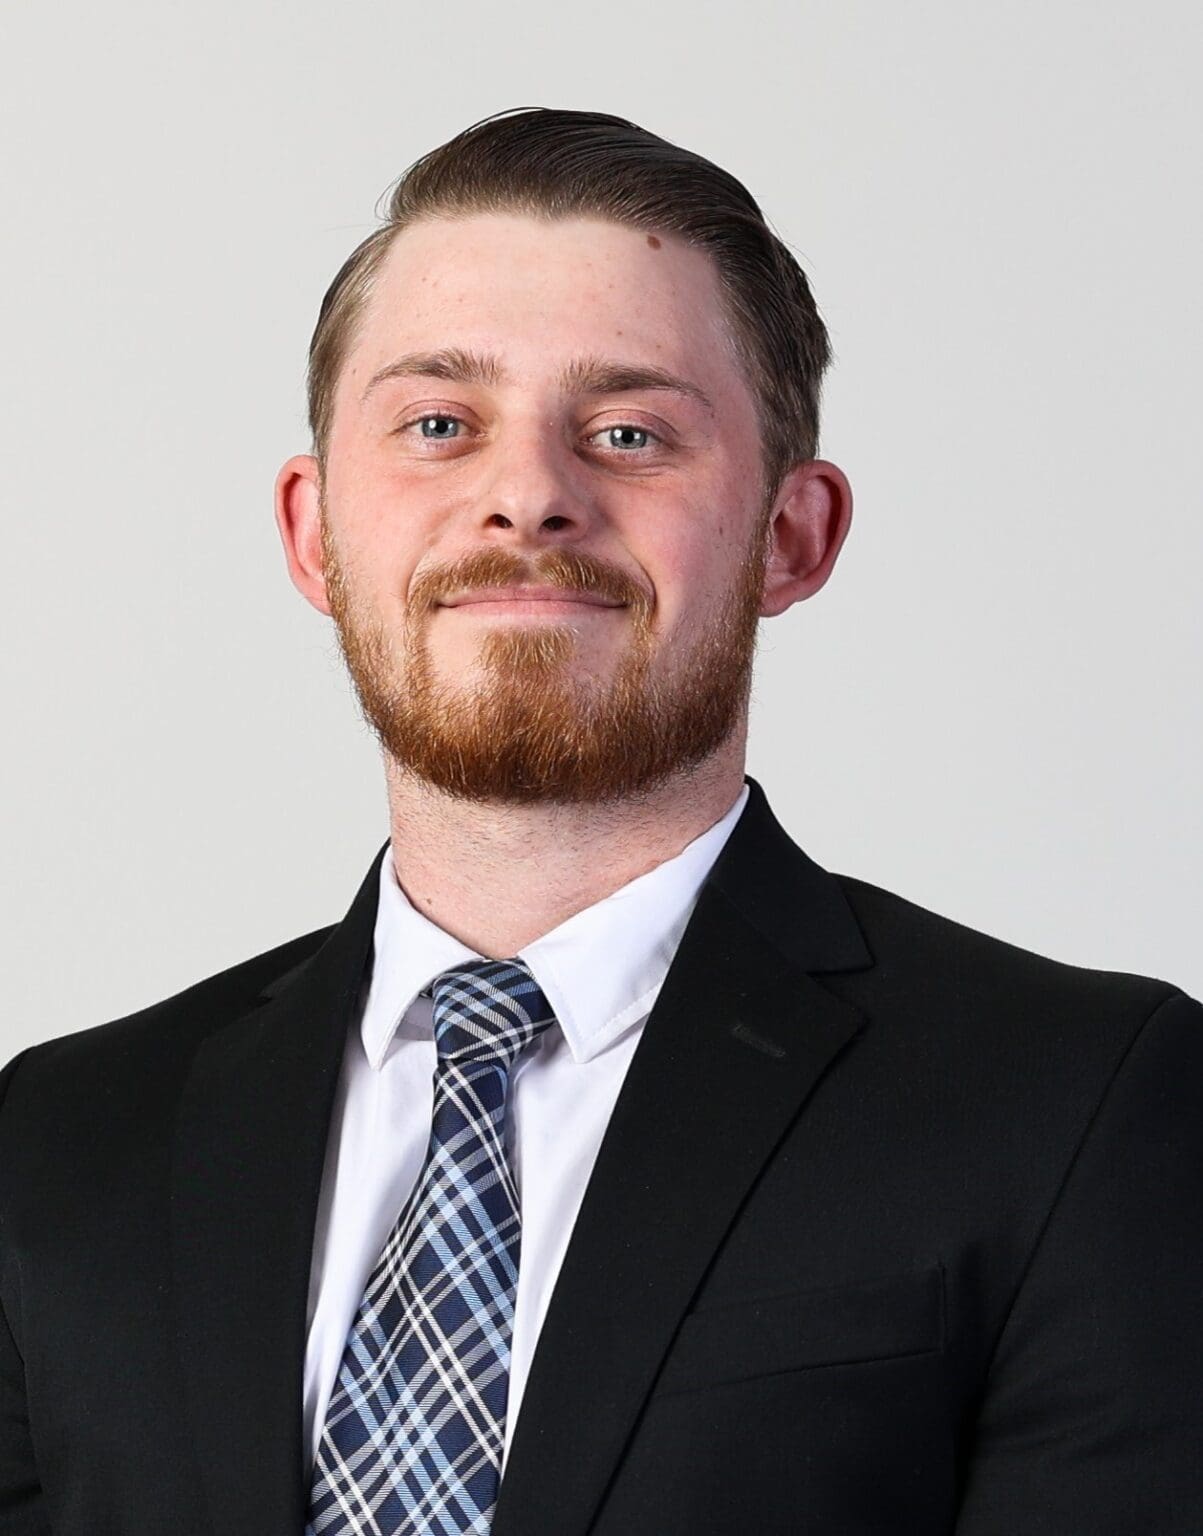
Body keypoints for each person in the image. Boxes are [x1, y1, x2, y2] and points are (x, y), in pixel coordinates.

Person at [0, 107, 1199, 1536]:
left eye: (630, 433)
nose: (527, 497)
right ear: (315, 534)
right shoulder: (61, 1140)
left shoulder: (1082, 1106)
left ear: (793, 536)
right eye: (439, 426)